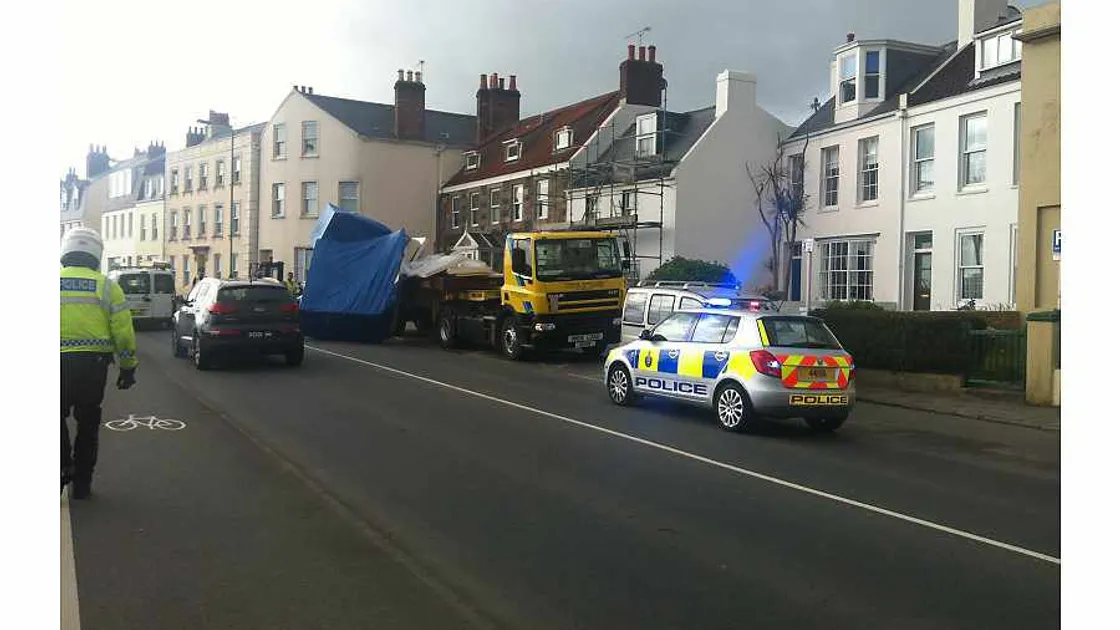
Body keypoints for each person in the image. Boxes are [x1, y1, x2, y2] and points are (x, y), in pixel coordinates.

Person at [60, 228, 138, 499]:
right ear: (96, 254)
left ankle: (61, 466)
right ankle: (82, 483)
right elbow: (123, 333)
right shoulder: (107, 287)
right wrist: (128, 367)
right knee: (88, 422)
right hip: (92, 365)